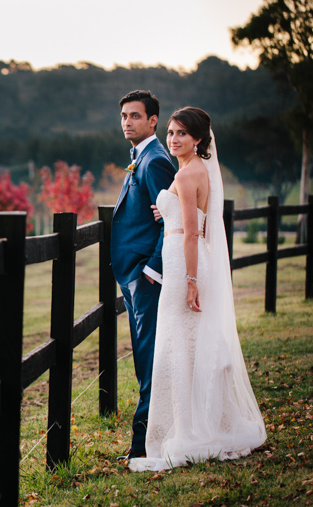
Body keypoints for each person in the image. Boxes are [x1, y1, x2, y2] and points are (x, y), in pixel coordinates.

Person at [128, 107, 267, 472]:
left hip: (183, 264)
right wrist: (167, 210)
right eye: (171, 133)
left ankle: (187, 429)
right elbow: (191, 217)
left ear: (199, 140)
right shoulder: (194, 171)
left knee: (179, 345)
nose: (173, 140)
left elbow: (193, 232)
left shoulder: (189, 174)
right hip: (186, 259)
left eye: (182, 135)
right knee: (187, 344)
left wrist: (190, 281)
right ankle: (197, 421)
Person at [111, 90, 177, 460]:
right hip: (137, 274)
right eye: (123, 116)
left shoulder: (153, 161)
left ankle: (144, 446)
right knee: (144, 356)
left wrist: (153, 268)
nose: (127, 122)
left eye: (135, 116)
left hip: (146, 275)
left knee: (149, 359)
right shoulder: (140, 157)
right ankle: (151, 439)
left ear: (153, 121)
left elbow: (173, 219)